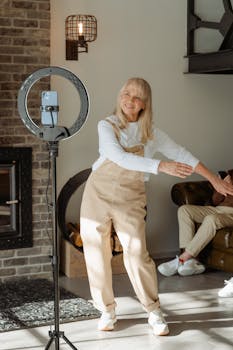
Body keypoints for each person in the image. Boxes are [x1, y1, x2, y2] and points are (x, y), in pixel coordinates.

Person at [80, 77, 233, 337]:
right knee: (95, 252)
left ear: (144, 104)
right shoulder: (106, 125)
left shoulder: (151, 132)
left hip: (131, 197)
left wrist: (214, 179)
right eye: (127, 93)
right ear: (120, 96)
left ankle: (153, 310)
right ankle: (106, 309)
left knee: (138, 253)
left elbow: (182, 154)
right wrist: (161, 166)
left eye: (137, 97)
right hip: (98, 193)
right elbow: (118, 156)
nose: (130, 100)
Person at [158, 171, 233, 277]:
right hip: (217, 209)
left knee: (211, 219)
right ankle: (191, 261)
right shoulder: (229, 175)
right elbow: (215, 201)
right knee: (184, 210)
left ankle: (182, 259)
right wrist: (222, 186)